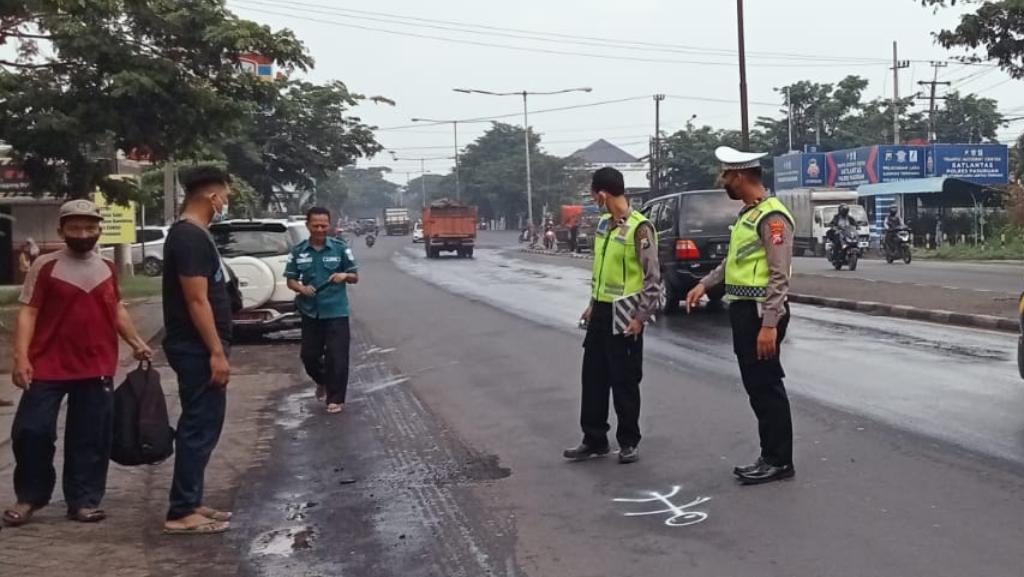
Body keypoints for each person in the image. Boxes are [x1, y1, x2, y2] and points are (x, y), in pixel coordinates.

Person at [2, 199, 152, 528]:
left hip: (96, 365)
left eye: (89, 228)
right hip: (47, 365)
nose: (83, 233)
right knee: (31, 431)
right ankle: (29, 497)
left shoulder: (108, 269)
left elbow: (116, 310)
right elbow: (29, 311)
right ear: (61, 231)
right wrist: (21, 356)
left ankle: (83, 501)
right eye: (75, 228)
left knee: (91, 435)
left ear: (99, 230)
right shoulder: (46, 266)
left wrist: (136, 342)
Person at [686, 147, 796, 485]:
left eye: (725, 176)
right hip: (744, 310)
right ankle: (768, 455)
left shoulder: (772, 218)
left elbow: (779, 276)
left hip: (761, 313)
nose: (723, 183)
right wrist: (704, 284)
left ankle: (779, 460)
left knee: (767, 386)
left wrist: (769, 325)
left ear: (741, 176)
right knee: (756, 386)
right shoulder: (749, 215)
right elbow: (733, 262)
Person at [564, 167, 661, 465]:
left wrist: (641, 317)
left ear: (603, 194)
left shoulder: (640, 228)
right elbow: (601, 270)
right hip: (601, 311)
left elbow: (653, 278)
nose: (595, 202)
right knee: (593, 377)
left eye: (595, 196)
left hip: (626, 314)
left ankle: (628, 441)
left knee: (624, 379)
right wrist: (593, 303)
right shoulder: (605, 226)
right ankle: (594, 439)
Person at [161, 166, 235, 535]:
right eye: (225, 196)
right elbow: (196, 301)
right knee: (198, 426)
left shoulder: (197, 234)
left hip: (200, 347)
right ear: (212, 197)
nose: (226, 202)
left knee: (206, 424)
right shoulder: (189, 237)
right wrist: (216, 352)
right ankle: (181, 511)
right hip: (195, 349)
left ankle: (192, 499)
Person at [285, 207, 359, 414]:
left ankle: (335, 399)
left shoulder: (340, 248)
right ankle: (323, 381)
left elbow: (355, 276)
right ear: (308, 226)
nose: (319, 229)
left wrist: (343, 276)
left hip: (336, 310)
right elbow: (290, 279)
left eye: (323, 225)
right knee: (309, 356)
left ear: (330, 225)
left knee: (337, 357)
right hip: (310, 311)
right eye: (315, 225)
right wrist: (302, 288)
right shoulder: (299, 251)